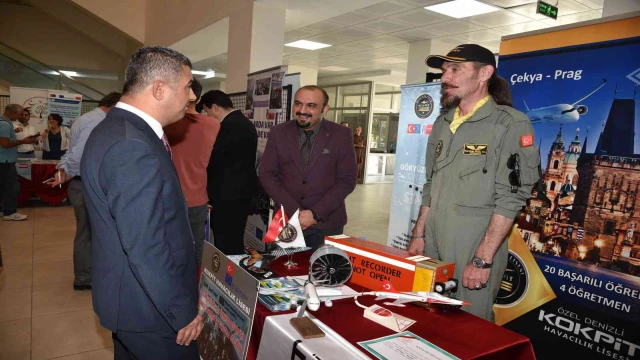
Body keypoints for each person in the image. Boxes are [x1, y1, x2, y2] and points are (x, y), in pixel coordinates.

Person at [80, 46, 202, 359]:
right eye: (187, 86)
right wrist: (181, 311)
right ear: (160, 89)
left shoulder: (120, 130)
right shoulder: (131, 145)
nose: (191, 97)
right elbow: (145, 245)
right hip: (150, 308)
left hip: (134, 299)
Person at [408, 44, 540, 322]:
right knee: (429, 313)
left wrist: (482, 258)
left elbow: (512, 197)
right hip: (432, 239)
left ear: (484, 74)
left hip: (473, 241)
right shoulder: (443, 122)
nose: (445, 77)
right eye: (445, 70)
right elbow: (431, 184)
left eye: (455, 69)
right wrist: (419, 233)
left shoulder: (509, 124)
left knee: (470, 323)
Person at [259, 85, 357, 250]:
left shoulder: (341, 134)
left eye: (311, 106)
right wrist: (296, 212)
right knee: (279, 270)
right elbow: (267, 174)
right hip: (286, 219)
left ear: (325, 109)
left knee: (323, 273)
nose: (302, 110)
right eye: (298, 104)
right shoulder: (278, 132)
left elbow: (346, 180)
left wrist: (315, 214)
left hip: (327, 221)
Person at [47, 92, 122, 291]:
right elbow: (79, 156)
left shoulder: (86, 119)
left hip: (82, 184)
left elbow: (70, 153)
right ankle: (84, 277)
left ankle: (87, 274)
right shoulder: (98, 122)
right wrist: (68, 172)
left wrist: (63, 170)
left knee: (88, 231)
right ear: (114, 106)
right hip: (87, 185)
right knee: (88, 232)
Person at [164, 79, 220, 270]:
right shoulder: (213, 124)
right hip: (198, 198)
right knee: (195, 247)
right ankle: (193, 287)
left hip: (170, 199)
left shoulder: (168, 124)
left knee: (168, 247)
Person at [203, 90, 258, 255]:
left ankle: (230, 278)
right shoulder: (242, 123)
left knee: (227, 242)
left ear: (214, 107)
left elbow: (214, 160)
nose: (207, 116)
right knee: (232, 239)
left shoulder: (230, 126)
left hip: (228, 197)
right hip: (237, 195)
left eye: (207, 112)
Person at [0, 104, 39, 221]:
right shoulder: (5, 124)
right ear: (13, 113)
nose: (19, 116)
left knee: (2, 186)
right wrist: (23, 141)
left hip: (4, 160)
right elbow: (5, 144)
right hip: (5, 160)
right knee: (12, 187)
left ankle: (3, 210)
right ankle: (10, 212)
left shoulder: (3, 123)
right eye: (19, 114)